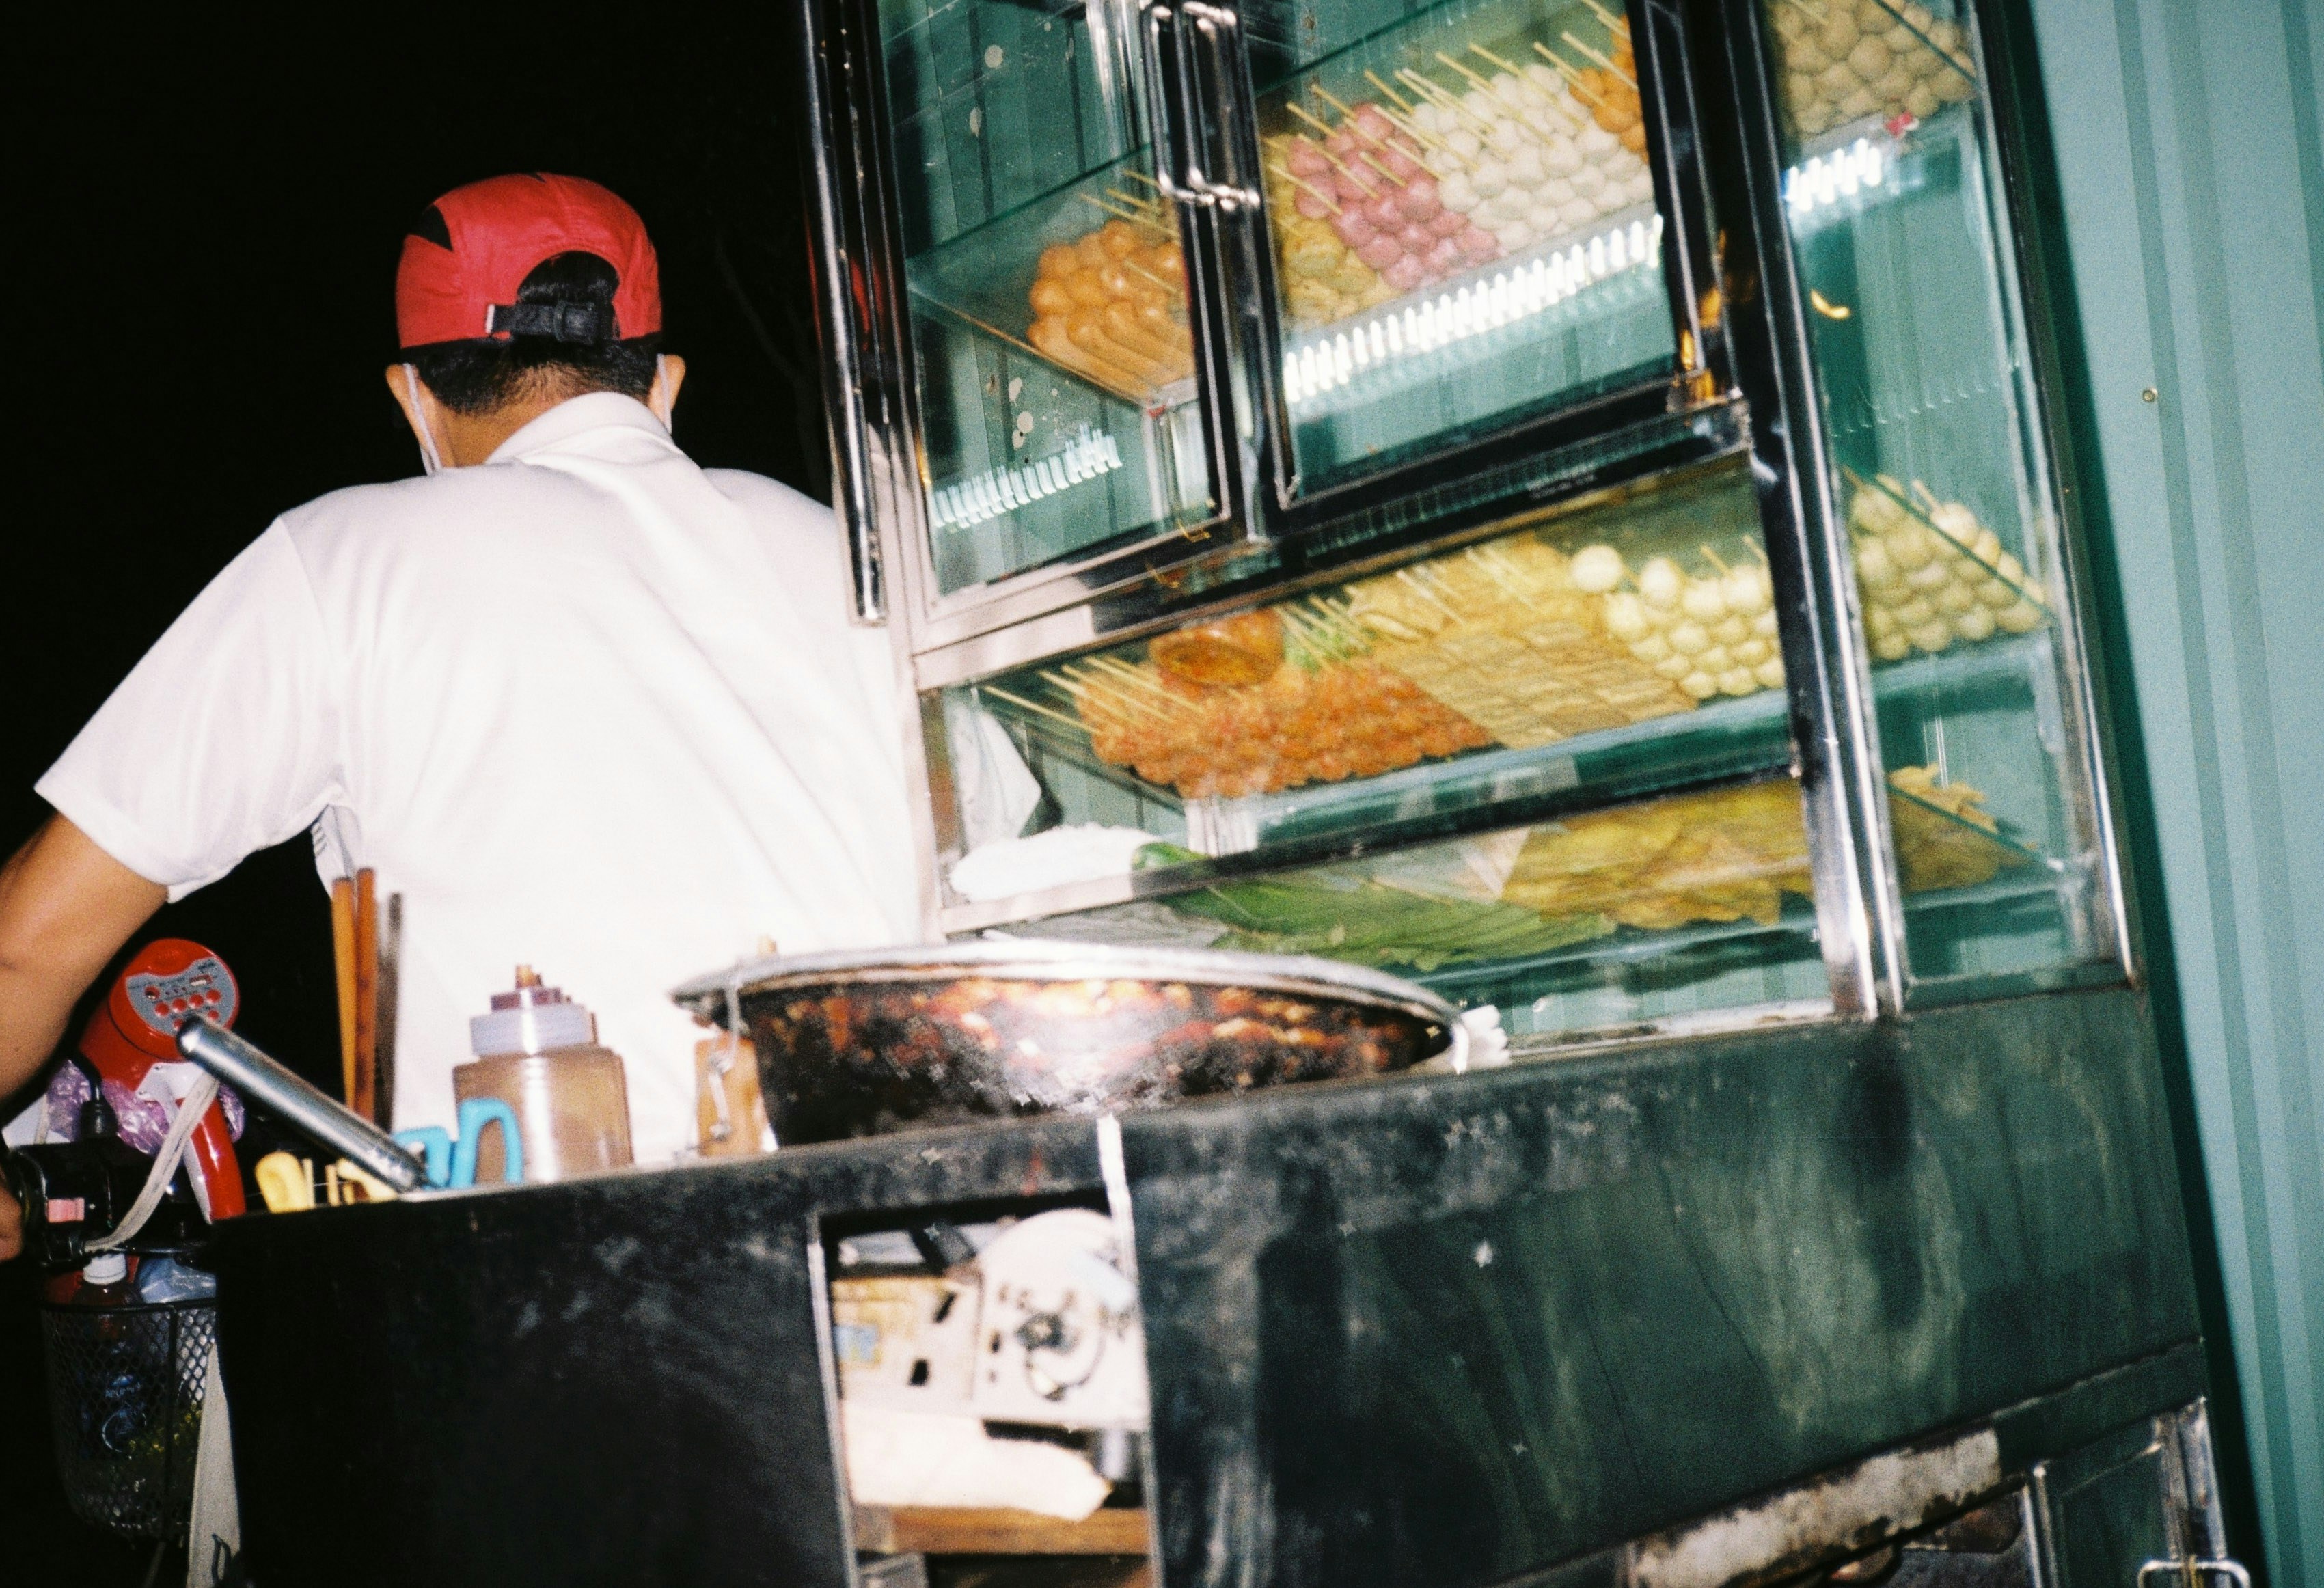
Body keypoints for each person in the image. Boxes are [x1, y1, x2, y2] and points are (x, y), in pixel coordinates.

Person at [0, 172, 920, 1259]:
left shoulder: (347, 559)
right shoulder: (856, 559)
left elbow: (30, 942)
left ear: (413, 400)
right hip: (918, 1253)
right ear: (662, 385)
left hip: (569, 1305)